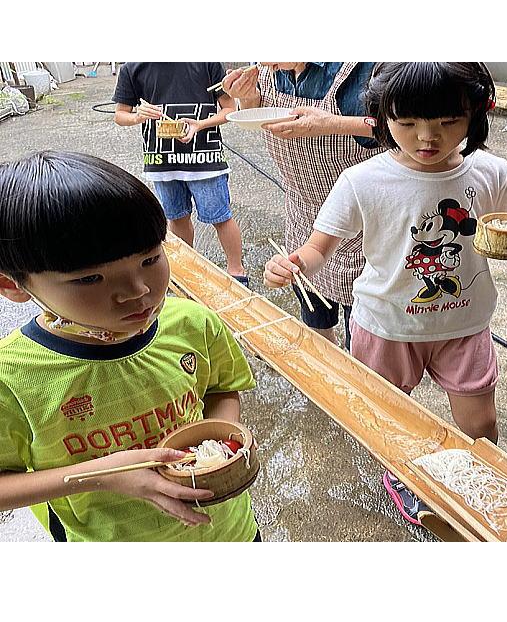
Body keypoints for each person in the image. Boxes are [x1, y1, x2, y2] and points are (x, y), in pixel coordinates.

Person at [263, 62, 507, 527]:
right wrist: (293, 263)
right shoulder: (363, 181)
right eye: (408, 123)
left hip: (465, 323)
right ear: (381, 117)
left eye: (447, 122)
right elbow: (321, 247)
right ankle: (402, 476)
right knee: (393, 419)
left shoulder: (491, 171)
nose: (426, 138)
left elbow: (506, 228)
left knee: (480, 424)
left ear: (476, 113)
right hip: (386, 325)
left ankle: (486, 480)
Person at [0, 151, 260, 542]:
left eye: (150, 258)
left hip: (229, 531)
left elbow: (221, 388)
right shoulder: (13, 377)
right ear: (12, 285)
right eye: (90, 280)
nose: (138, 292)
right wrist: (97, 477)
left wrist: (221, 440)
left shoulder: (192, 323)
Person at [222, 63, 382, 348]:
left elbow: (403, 128)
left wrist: (332, 124)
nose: (267, 62)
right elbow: (264, 110)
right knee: (313, 309)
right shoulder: (273, 68)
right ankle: (324, 359)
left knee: (361, 326)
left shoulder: (363, 67)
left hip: (361, 225)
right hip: (302, 212)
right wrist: (247, 99)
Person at [113, 62, 248, 285]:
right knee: (176, 217)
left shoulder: (206, 62)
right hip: (162, 161)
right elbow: (120, 115)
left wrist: (200, 124)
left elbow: (229, 109)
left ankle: (237, 270)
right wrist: (138, 116)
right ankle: (188, 268)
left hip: (205, 159)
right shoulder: (133, 68)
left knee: (221, 217)